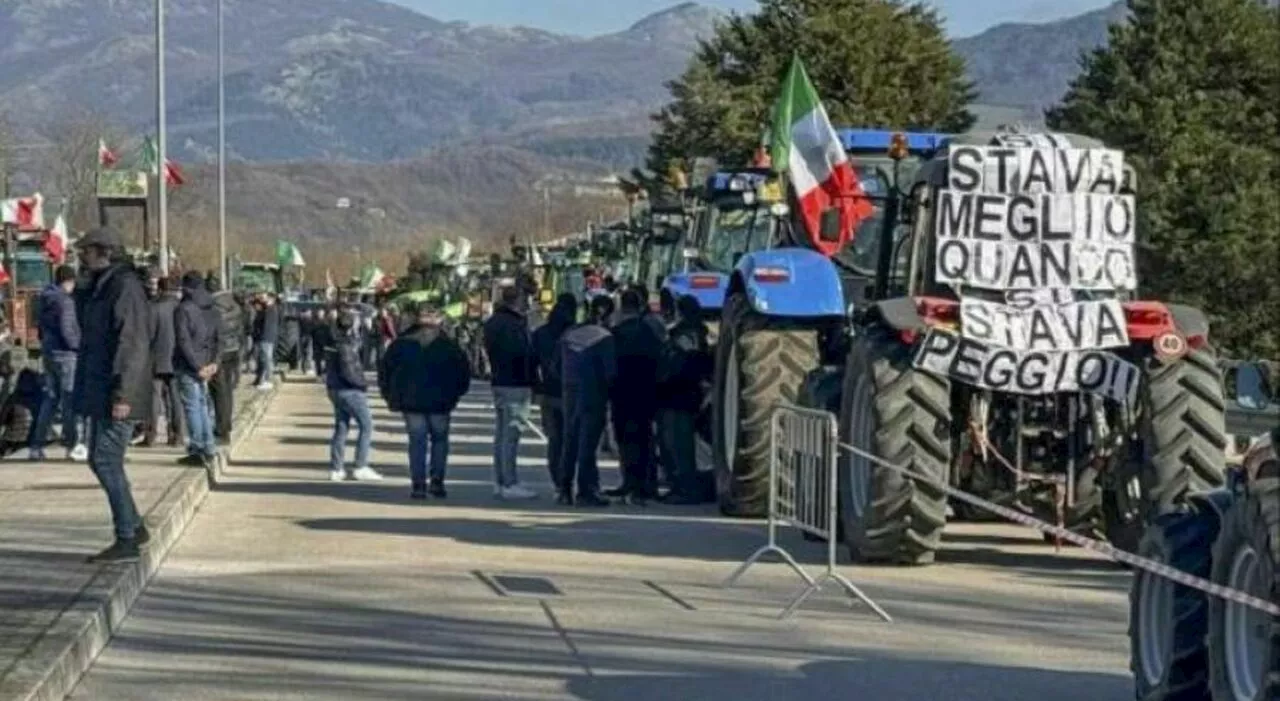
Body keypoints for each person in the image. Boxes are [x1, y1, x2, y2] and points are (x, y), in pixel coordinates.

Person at [73, 227, 154, 563]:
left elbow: (131, 344)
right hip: (102, 386)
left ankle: (126, 537)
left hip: (119, 390)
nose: (82, 257)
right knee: (100, 459)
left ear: (103, 251)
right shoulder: (102, 287)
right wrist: (81, 288)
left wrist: (123, 394)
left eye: (86, 252)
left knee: (107, 460)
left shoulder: (124, 287)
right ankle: (133, 525)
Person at [379, 305, 470, 499]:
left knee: (417, 441)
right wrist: (455, 396)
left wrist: (390, 396)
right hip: (441, 403)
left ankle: (418, 484)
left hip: (411, 402)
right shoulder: (450, 346)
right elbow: (463, 376)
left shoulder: (400, 345)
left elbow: (385, 373)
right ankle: (437, 481)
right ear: (439, 321)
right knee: (439, 440)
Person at [605, 289, 664, 502]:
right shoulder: (649, 332)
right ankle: (645, 485)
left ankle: (629, 482)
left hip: (621, 395)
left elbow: (609, 366)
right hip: (645, 394)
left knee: (625, 440)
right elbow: (659, 360)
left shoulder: (616, 333)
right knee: (645, 439)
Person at [557, 294, 616, 507]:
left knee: (569, 440)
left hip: (569, 391)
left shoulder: (569, 334)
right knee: (587, 444)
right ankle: (586, 490)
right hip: (593, 393)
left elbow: (556, 365)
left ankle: (564, 489)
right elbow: (610, 372)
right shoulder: (604, 337)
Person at [482, 285, 538, 500]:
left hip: (499, 380)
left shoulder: (493, 322)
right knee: (511, 434)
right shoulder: (515, 325)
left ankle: (500, 480)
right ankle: (509, 481)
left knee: (501, 434)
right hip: (516, 382)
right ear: (519, 301)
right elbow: (524, 353)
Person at [656, 294, 712, 504]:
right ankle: (679, 487)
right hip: (679, 395)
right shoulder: (691, 331)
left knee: (679, 446)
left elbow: (686, 362)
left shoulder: (687, 333)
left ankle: (685, 489)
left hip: (678, 396)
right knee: (675, 445)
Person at [30, 264, 86, 461]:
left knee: (50, 400)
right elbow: (67, 330)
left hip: (48, 353)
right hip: (66, 355)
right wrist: (79, 346)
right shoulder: (66, 302)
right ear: (69, 281)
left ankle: (36, 445)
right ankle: (71, 445)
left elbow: (40, 328)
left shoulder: (43, 299)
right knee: (69, 400)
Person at [326, 311, 381, 482]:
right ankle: (360, 466)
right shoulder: (346, 345)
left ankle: (336, 468)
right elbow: (349, 370)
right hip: (349, 390)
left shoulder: (334, 340)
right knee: (366, 426)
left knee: (341, 427)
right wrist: (362, 384)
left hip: (335, 388)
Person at [173, 271, 221, 467]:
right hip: (207, 362)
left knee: (193, 407)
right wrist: (213, 363)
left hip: (190, 365)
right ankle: (209, 446)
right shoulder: (213, 308)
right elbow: (219, 339)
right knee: (203, 405)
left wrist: (196, 366)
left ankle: (197, 447)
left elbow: (183, 341)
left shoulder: (183, 309)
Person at [532, 294, 577, 490]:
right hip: (572, 392)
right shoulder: (575, 333)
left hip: (548, 391)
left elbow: (531, 363)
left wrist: (536, 387)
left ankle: (557, 480)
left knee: (554, 438)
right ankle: (567, 478)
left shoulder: (540, 334)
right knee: (571, 437)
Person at [144, 275, 182, 448]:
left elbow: (148, 335)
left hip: (157, 359)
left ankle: (150, 435)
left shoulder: (154, 308)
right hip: (178, 360)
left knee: (154, 398)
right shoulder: (182, 308)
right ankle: (177, 434)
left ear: (159, 289)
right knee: (176, 399)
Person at [210, 284, 245, 444]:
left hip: (220, 352)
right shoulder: (234, 306)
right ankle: (227, 424)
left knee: (219, 393)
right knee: (227, 391)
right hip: (234, 349)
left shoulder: (214, 308)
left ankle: (221, 429)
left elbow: (214, 331)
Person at [252, 293, 280, 389]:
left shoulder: (270, 310)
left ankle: (268, 380)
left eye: (266, 298)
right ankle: (264, 379)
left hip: (266, 337)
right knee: (265, 358)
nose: (263, 300)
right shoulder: (270, 309)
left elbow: (265, 324)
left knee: (266, 359)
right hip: (267, 337)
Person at [297, 308, 315, 375]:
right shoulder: (307, 319)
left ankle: (305, 368)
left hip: (305, 336)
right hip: (305, 336)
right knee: (308, 353)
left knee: (306, 353)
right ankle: (307, 368)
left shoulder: (303, 318)